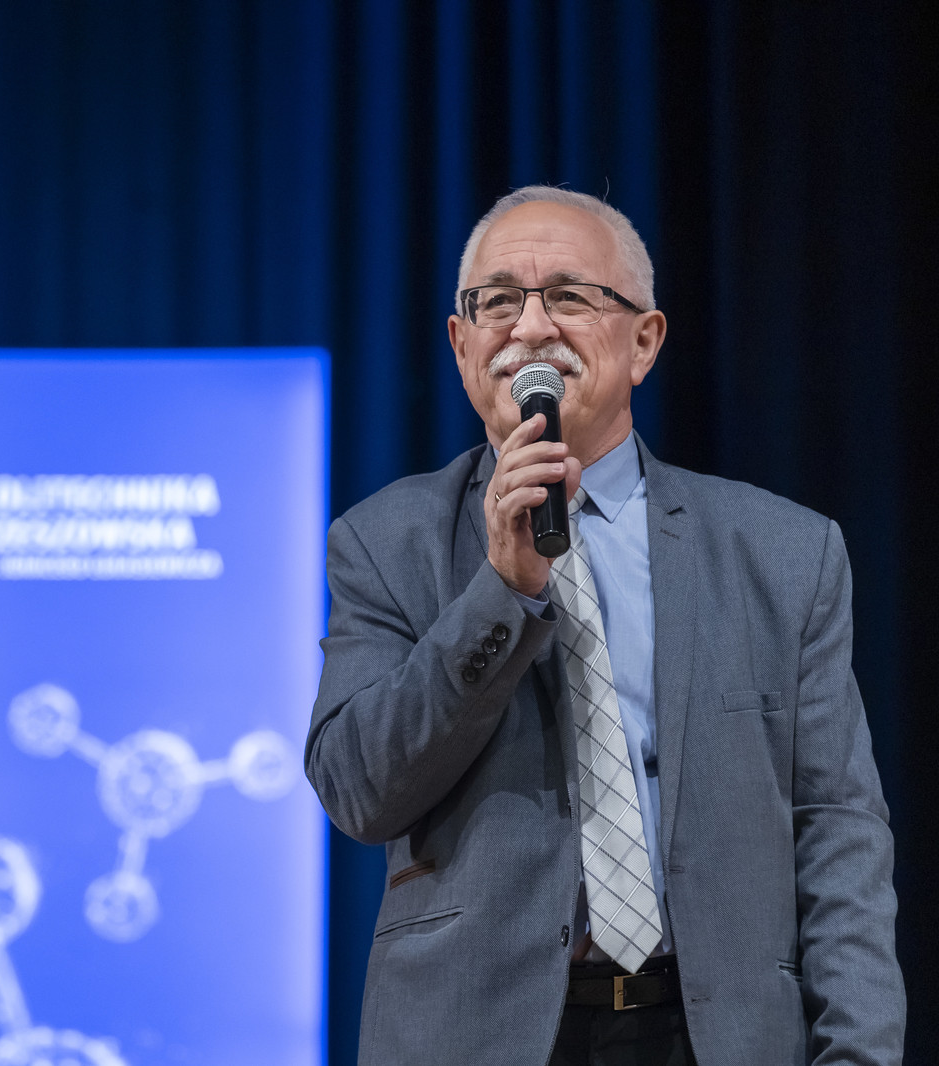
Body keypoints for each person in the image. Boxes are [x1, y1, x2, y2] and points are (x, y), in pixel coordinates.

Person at [305, 185, 903, 1065]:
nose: (530, 327)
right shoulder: (383, 542)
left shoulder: (784, 552)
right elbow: (360, 791)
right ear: (461, 344)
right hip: (479, 1035)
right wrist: (502, 592)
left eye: (568, 296)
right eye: (498, 301)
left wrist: (858, 1053)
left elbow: (838, 829)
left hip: (716, 1035)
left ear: (644, 342)